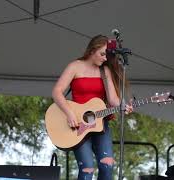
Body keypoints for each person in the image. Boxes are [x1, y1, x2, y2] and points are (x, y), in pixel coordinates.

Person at [52, 35, 133, 179]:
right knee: (87, 168)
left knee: (107, 165)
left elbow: (113, 99)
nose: (105, 58)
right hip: (77, 124)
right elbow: (57, 92)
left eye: (107, 55)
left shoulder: (105, 71)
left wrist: (123, 105)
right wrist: (69, 113)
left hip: (100, 123)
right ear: (92, 50)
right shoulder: (75, 66)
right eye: (102, 54)